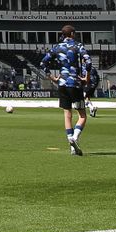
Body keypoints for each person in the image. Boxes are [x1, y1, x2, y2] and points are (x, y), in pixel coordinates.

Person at [40, 24, 91, 156]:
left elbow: (43, 63)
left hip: (62, 84)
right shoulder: (78, 46)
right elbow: (88, 61)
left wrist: (52, 78)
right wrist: (87, 77)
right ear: (72, 34)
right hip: (75, 83)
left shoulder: (57, 47)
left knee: (67, 114)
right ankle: (74, 137)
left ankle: (72, 146)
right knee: (82, 115)